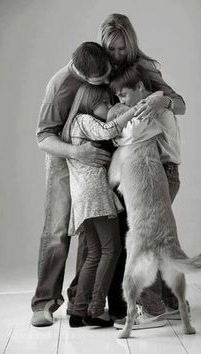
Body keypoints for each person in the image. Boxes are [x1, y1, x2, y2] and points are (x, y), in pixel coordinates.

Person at [67, 13, 186, 326]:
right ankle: (91, 304)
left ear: (130, 44)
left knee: (139, 237)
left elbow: (178, 104)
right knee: (114, 236)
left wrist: (162, 100)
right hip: (119, 170)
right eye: (112, 49)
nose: (117, 55)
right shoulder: (100, 71)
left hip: (151, 170)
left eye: (122, 48)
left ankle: (148, 306)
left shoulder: (141, 71)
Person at [31, 42, 114, 327]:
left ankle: (80, 301)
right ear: (83, 74)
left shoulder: (94, 63)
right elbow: (43, 138)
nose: (106, 82)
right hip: (64, 159)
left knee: (89, 227)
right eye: (100, 80)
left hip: (90, 159)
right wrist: (79, 153)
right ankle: (43, 303)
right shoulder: (59, 88)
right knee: (57, 230)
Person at [107, 62, 188, 329]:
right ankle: (175, 306)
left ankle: (152, 311)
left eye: (124, 95)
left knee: (148, 241)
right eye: (118, 97)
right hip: (164, 172)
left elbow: (129, 135)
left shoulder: (151, 104)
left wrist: (118, 115)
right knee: (159, 241)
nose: (122, 101)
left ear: (140, 87)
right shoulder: (153, 103)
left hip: (161, 173)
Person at [61, 83, 149, 327]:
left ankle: (78, 310)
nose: (110, 107)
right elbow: (110, 129)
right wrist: (135, 109)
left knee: (95, 254)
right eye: (105, 103)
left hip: (83, 199)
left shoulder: (73, 125)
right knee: (112, 249)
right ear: (90, 102)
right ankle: (96, 309)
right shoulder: (84, 120)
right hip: (97, 196)